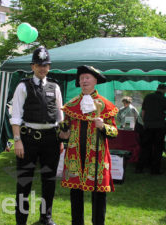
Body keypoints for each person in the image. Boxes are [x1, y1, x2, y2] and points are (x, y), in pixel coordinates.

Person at [10, 46, 63, 225]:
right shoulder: (23, 86)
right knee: (24, 181)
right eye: (39, 65)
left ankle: (45, 218)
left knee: (49, 181)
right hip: (28, 139)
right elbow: (15, 115)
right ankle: (21, 221)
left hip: (51, 140)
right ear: (32, 66)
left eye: (45, 65)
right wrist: (17, 141)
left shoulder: (55, 86)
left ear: (49, 67)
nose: (42, 68)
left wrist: (61, 139)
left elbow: (59, 115)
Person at [59, 65, 118, 225]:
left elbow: (114, 132)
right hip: (75, 156)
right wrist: (62, 131)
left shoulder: (105, 105)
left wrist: (103, 126)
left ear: (95, 81)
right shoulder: (71, 105)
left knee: (99, 195)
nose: (84, 81)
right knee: (75, 193)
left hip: (96, 157)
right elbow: (64, 130)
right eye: (81, 78)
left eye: (87, 78)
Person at [135, 83, 166, 174]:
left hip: (148, 126)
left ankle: (140, 168)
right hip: (159, 127)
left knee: (145, 148)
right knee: (158, 149)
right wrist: (161, 114)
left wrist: (145, 122)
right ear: (165, 90)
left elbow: (143, 111)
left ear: (157, 88)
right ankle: (155, 170)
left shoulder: (148, 97)